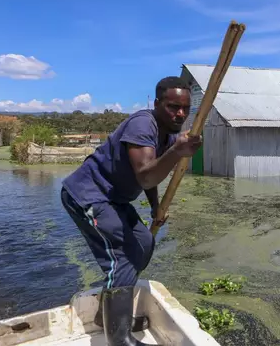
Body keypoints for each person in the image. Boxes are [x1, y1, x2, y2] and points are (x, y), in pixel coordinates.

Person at [60, 76, 202, 346]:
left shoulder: (168, 135)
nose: (180, 114)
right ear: (158, 103)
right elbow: (146, 175)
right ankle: (119, 337)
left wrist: (155, 207)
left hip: (115, 200)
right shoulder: (142, 124)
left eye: (185, 108)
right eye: (173, 107)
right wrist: (177, 151)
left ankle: (110, 317)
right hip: (88, 195)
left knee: (144, 243)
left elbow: (150, 176)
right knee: (122, 256)